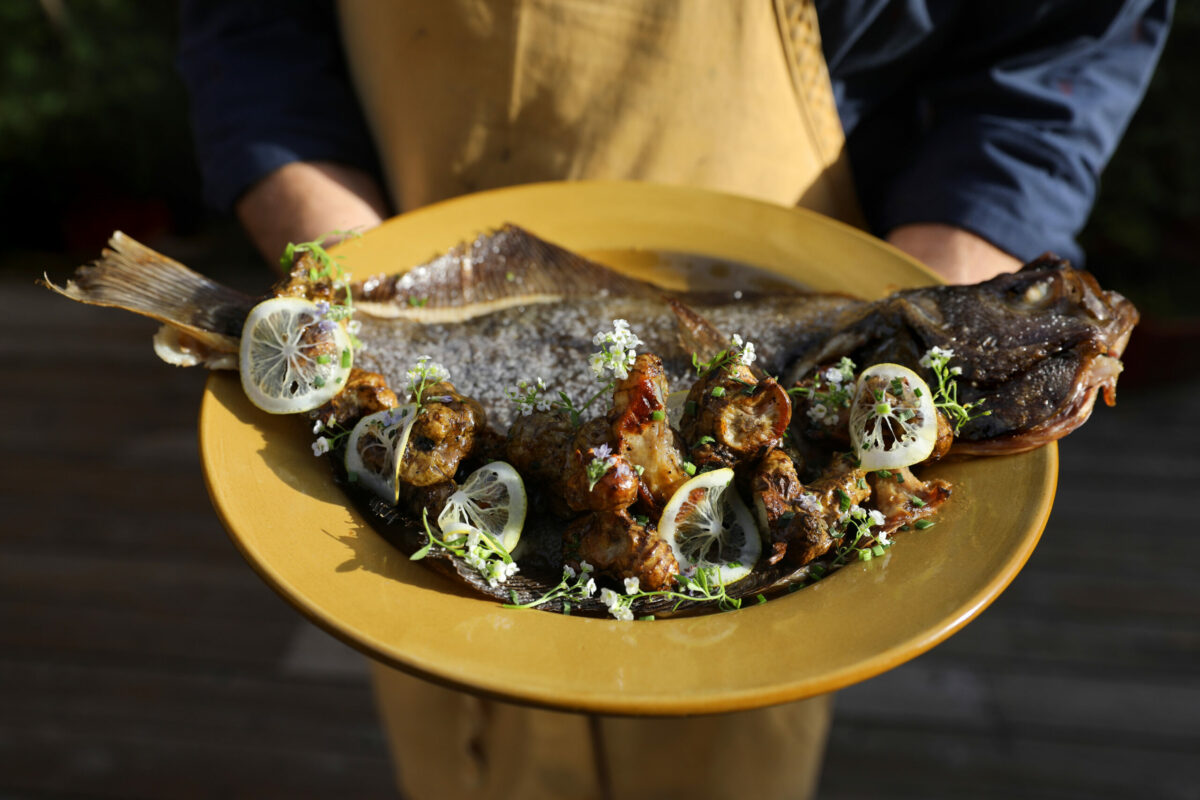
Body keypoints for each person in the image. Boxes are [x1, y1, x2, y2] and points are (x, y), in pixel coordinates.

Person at [178, 2, 1171, 798]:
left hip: (744, 646)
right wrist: (334, 250)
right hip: (424, 545)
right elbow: (251, 23)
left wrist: (965, 240)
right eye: (1022, 299)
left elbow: (1067, 36)